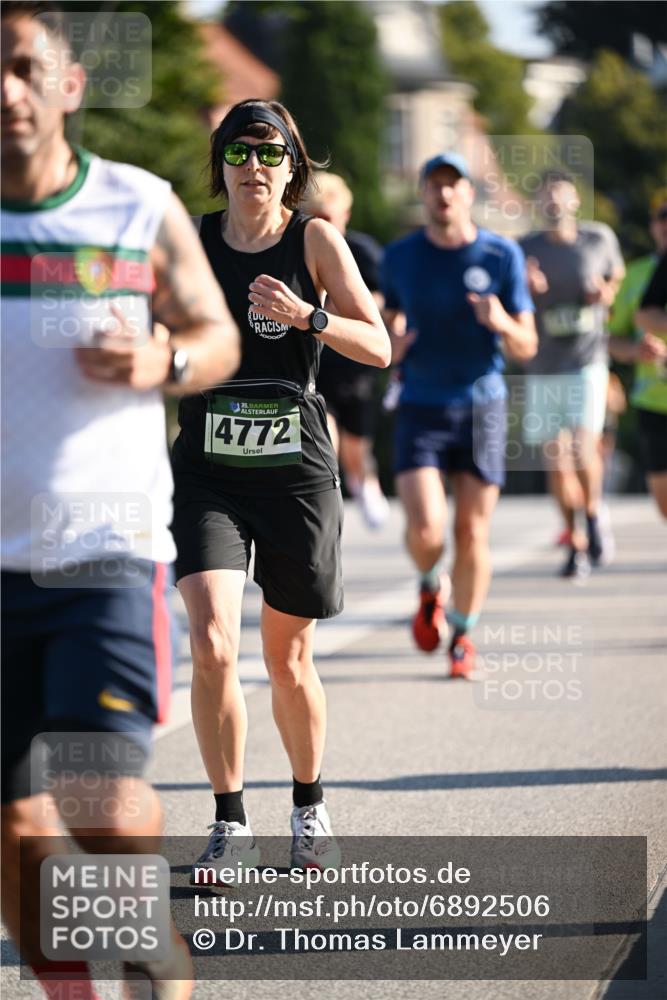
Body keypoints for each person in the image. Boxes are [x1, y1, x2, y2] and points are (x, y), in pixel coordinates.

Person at [1, 3, 240, 998]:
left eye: (22, 66)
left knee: (100, 797)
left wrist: (167, 357)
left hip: (104, 547)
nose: (4, 91)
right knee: (15, 821)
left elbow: (217, 335)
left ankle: (153, 950)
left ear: (68, 84)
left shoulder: (135, 207)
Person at [170, 99, 389, 881]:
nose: (252, 167)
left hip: (295, 469)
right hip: (208, 470)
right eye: (238, 152)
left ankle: (308, 804)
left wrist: (308, 315)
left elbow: (379, 344)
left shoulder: (315, 239)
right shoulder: (190, 241)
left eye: (268, 153)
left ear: (292, 165)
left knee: (288, 658)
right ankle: (230, 821)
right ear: (220, 163)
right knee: (212, 645)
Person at [382, 153, 537, 678]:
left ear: (470, 193)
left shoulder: (501, 254)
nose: (443, 195)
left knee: (471, 532)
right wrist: (393, 344)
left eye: (453, 186)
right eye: (434, 186)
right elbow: (382, 325)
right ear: (423, 194)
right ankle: (430, 585)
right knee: (426, 528)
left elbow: (528, 345)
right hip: (421, 404)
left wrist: (501, 322)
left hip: (482, 405)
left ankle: (464, 634)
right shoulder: (400, 257)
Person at [521, 170, 625, 578]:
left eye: (559, 197)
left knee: (584, 448)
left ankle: (595, 512)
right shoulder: (526, 248)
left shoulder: (598, 239)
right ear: (538, 204)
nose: (552, 203)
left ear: (574, 201)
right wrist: (528, 288)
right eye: (545, 197)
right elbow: (512, 297)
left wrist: (606, 292)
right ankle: (573, 538)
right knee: (557, 461)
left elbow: (614, 276)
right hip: (543, 365)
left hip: (587, 360)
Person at [302, 172, 390, 529]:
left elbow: (387, 298)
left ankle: (365, 481)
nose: (323, 226)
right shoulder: (297, 247)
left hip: (353, 364)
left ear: (345, 215)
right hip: (316, 364)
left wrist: (347, 307)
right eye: (315, 218)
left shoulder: (362, 250)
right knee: (326, 437)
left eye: (330, 218)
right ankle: (328, 495)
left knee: (356, 447)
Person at [609, 191, 667, 518]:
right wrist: (635, 349)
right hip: (654, 399)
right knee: (663, 500)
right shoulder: (637, 274)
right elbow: (611, 338)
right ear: (652, 226)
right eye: (663, 218)